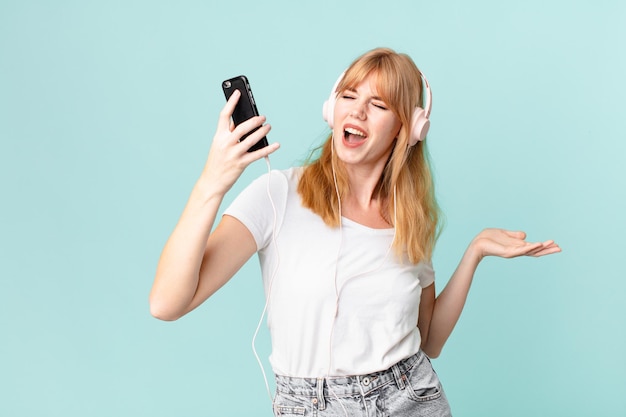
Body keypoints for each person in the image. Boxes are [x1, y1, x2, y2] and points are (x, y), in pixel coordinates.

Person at [149, 47, 560, 416]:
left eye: (377, 104)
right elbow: (167, 303)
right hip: (308, 404)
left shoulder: (410, 220)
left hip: (411, 397)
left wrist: (474, 252)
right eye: (349, 96)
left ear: (408, 129)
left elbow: (429, 341)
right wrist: (212, 183)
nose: (357, 112)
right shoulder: (278, 195)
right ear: (331, 109)